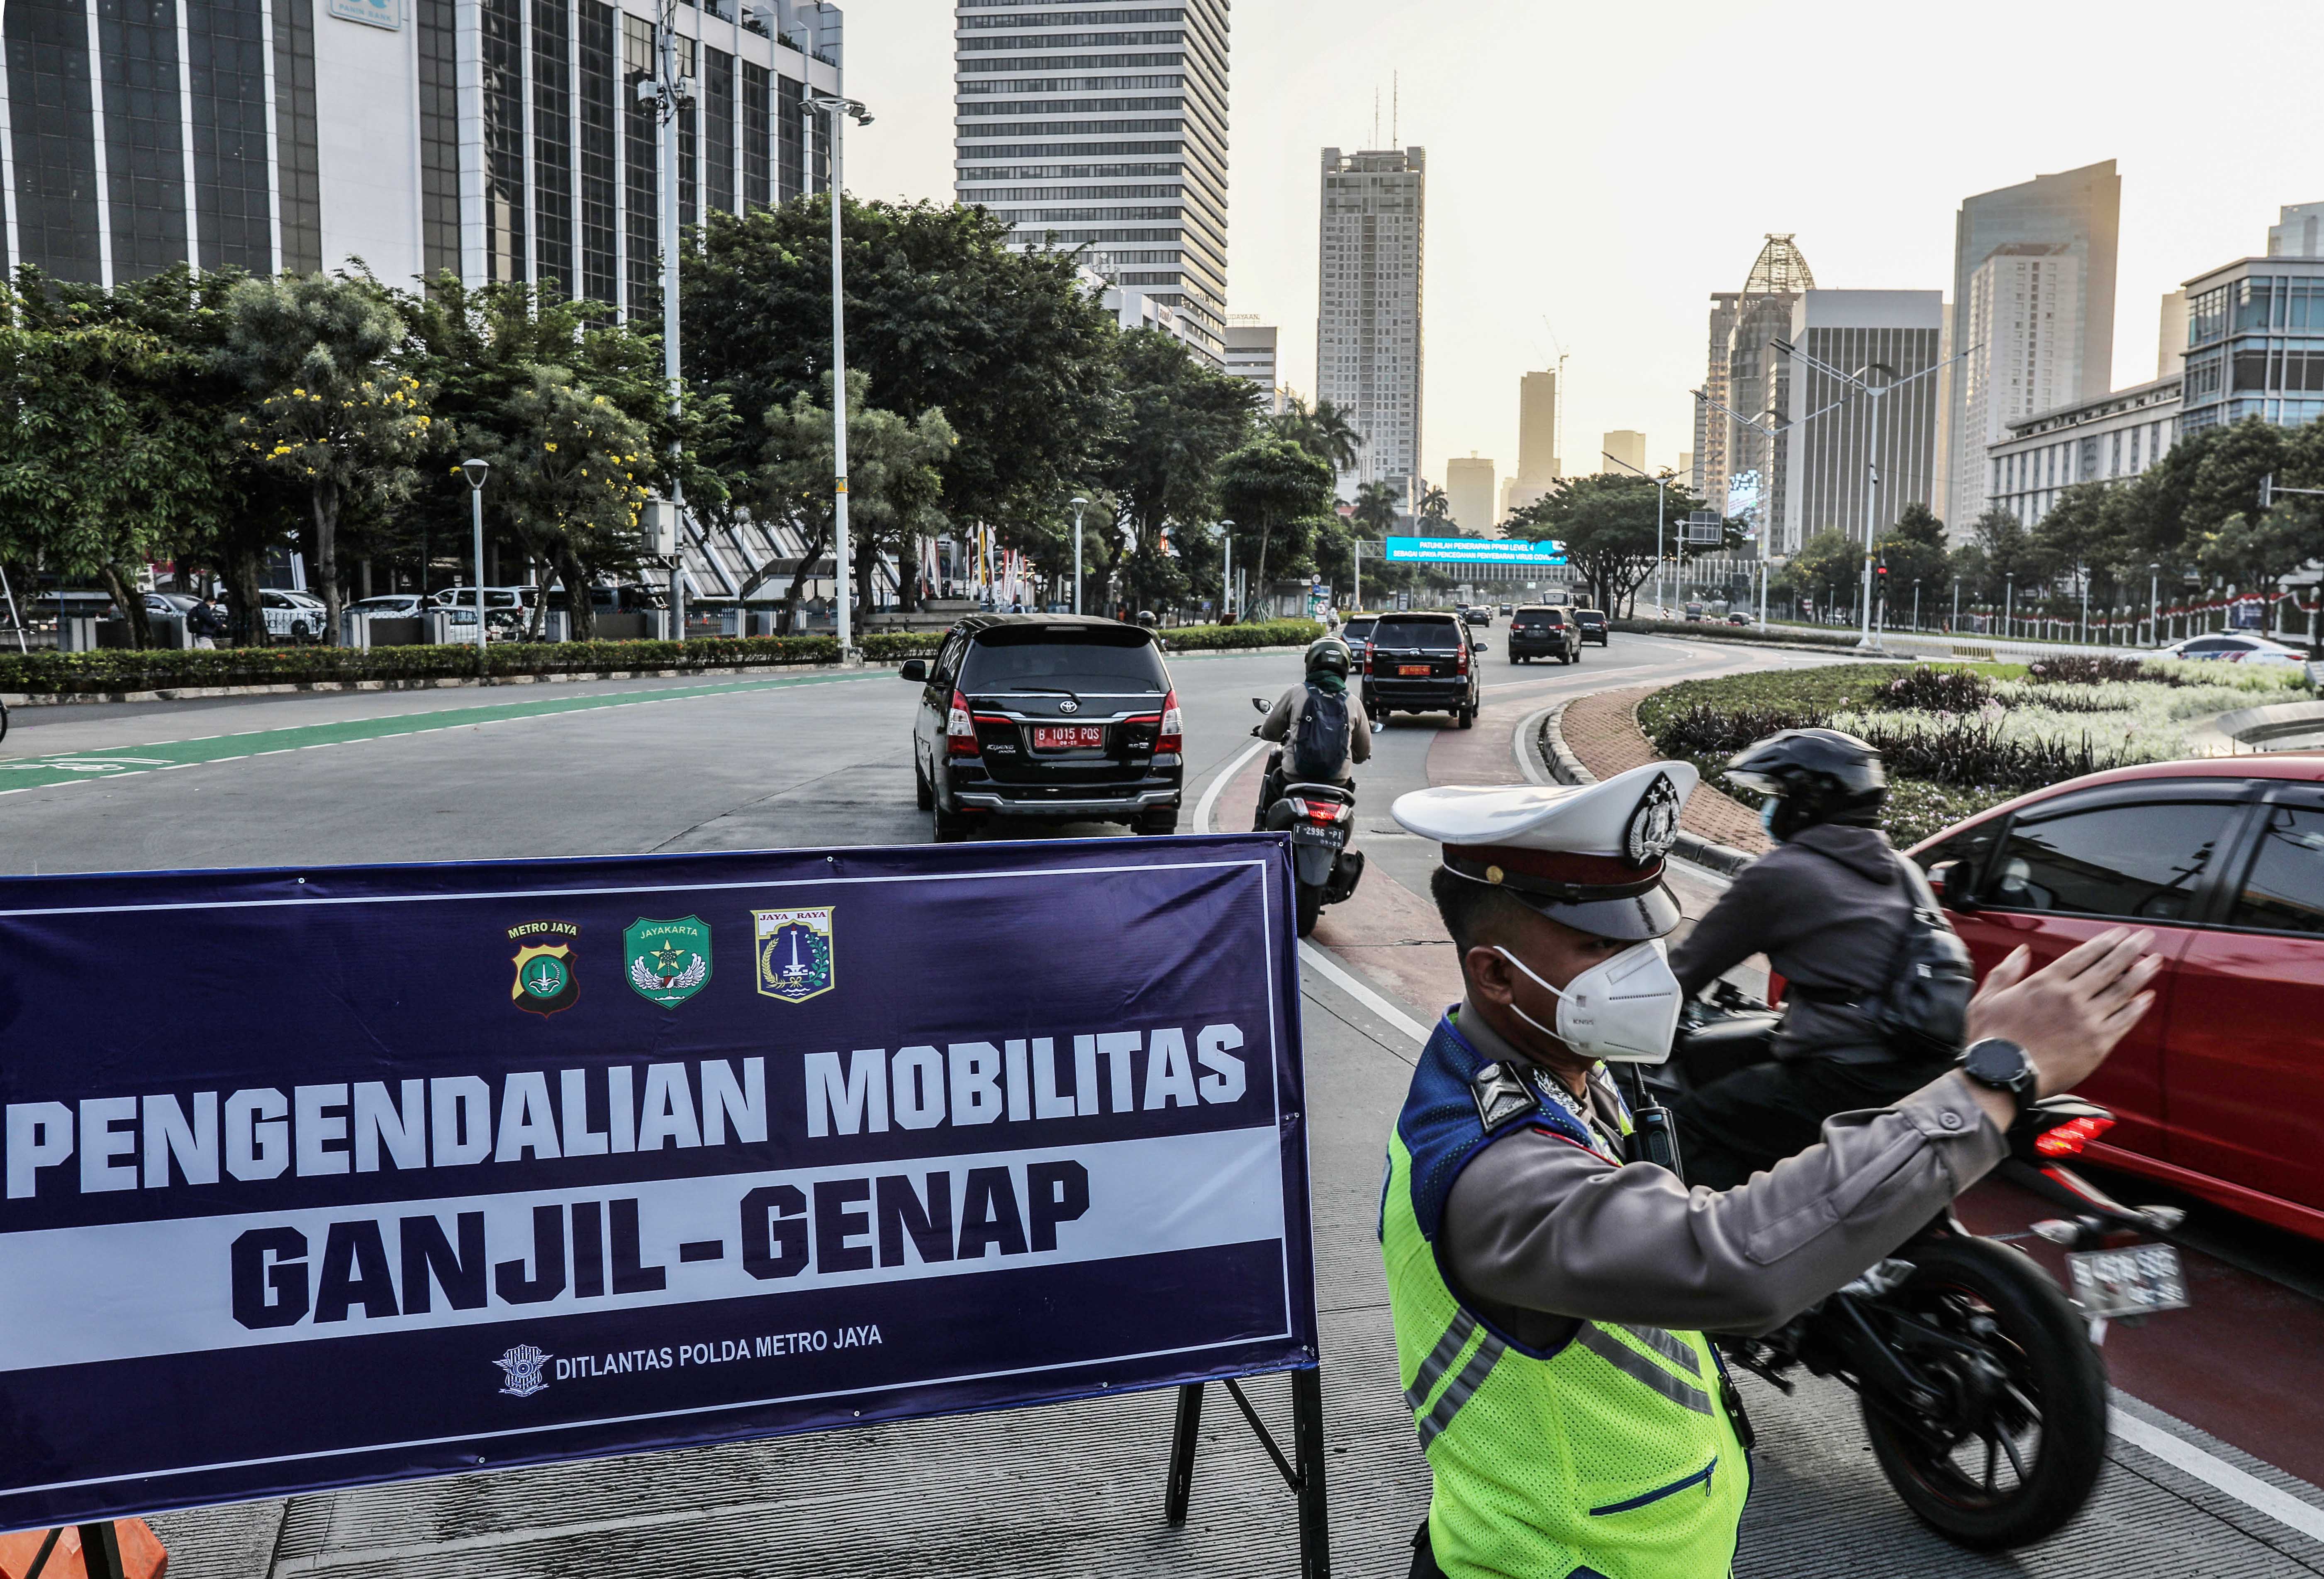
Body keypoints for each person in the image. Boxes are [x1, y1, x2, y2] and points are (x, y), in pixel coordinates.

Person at [1383, 764, 2159, 1579]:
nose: (1641, 968)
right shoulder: (1494, 1167)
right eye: (1600, 946)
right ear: (1495, 974)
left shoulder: (1562, 1066)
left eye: (1645, 937)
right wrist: (1986, 1083)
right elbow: (1723, 1258)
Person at [1666, 727, 1963, 1189]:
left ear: (1806, 803)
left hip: (1844, 1076)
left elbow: (1686, 969)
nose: (1772, 807)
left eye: (1780, 794)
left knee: (1682, 1126)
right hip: (1924, 1068)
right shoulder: (1903, 869)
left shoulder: (1780, 874)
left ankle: (1722, 1241)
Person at [1253, 636, 1370, 827]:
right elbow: (1362, 753)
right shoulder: (1353, 703)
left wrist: (1262, 733)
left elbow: (1272, 732)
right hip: (1337, 782)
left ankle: (1261, 830)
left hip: (1295, 777)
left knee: (1273, 781)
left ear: (1311, 661)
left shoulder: (1297, 693)